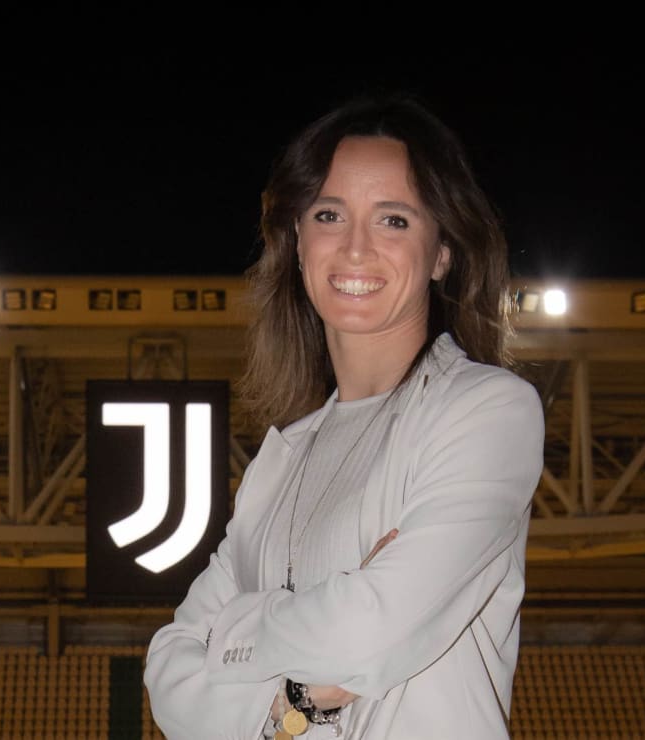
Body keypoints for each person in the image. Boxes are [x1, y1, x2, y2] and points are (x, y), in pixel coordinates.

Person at [144, 93, 544, 739]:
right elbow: (169, 680)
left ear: (442, 251)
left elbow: (371, 630)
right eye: (329, 215)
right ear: (298, 241)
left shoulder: (486, 410)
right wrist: (302, 691)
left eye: (394, 220)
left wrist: (239, 630)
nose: (356, 248)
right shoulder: (283, 457)